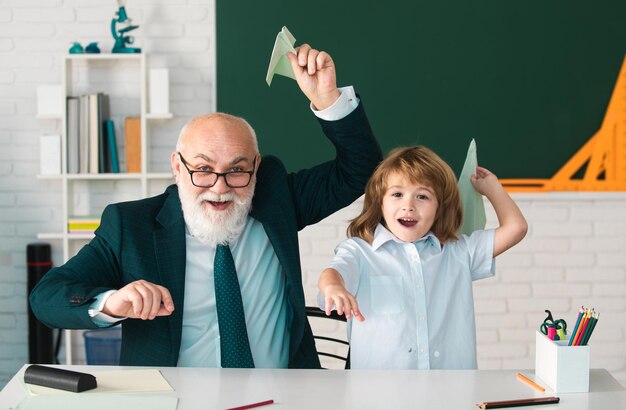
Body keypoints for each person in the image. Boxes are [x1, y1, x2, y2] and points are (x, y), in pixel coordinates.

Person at [29, 44, 382, 369]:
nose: (219, 187)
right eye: (202, 169)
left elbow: (361, 168)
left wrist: (328, 99)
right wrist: (110, 302)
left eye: (237, 170)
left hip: (284, 396)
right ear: (177, 166)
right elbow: (47, 297)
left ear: (256, 168)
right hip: (176, 400)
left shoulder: (277, 200)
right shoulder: (130, 226)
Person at [317, 145, 527, 369]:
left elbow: (516, 228)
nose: (409, 205)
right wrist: (333, 288)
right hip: (379, 397)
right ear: (380, 202)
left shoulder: (458, 252)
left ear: (440, 207)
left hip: (452, 394)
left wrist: (493, 189)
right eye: (397, 194)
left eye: (422, 196)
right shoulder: (360, 252)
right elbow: (334, 273)